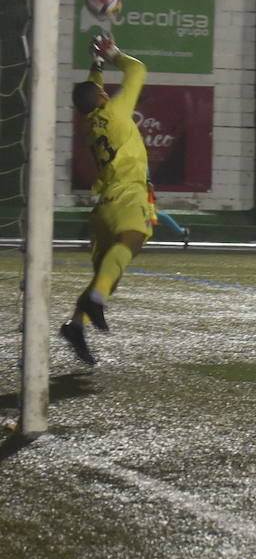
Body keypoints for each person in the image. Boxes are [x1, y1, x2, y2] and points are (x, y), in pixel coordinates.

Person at [60, 34, 156, 365]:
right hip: (127, 192)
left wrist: (96, 63)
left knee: (107, 275)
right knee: (133, 238)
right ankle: (95, 301)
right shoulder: (115, 112)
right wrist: (113, 52)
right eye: (102, 90)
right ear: (103, 97)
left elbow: (90, 89)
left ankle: (76, 325)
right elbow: (138, 70)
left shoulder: (88, 123)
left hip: (103, 205)